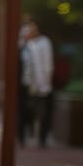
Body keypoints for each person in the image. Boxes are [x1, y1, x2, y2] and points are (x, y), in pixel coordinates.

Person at [19, 16, 56, 147]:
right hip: (26, 84)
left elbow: (47, 64)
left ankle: (42, 139)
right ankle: (23, 137)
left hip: (42, 84)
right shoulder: (23, 45)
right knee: (25, 111)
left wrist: (45, 83)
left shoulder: (44, 42)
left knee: (43, 113)